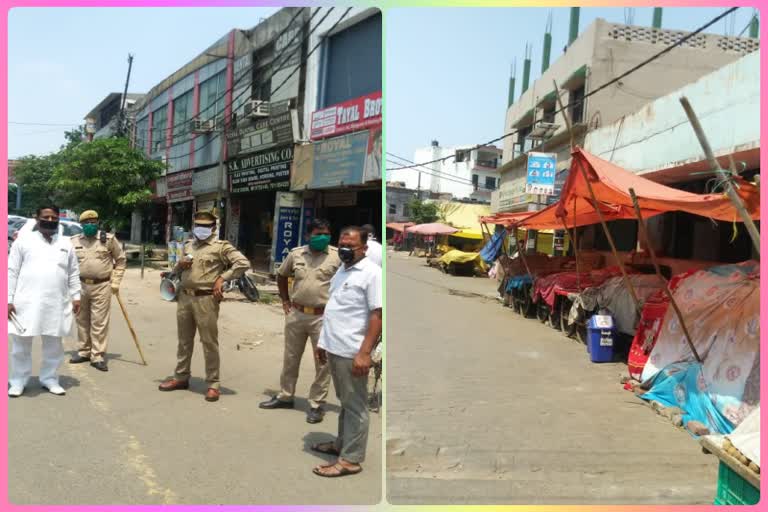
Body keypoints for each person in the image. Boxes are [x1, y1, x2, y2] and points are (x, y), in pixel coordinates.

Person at [311, 226, 382, 477]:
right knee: (345, 402)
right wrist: (323, 342)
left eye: (350, 245)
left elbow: (377, 315)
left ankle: (351, 459)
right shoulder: (343, 270)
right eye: (341, 243)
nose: (344, 249)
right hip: (334, 346)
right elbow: (334, 309)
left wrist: (364, 353)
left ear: (364, 248)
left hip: (352, 350)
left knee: (355, 406)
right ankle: (342, 444)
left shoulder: (372, 274)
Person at [158, 210, 250, 402]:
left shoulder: (220, 247)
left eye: (205, 226)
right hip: (184, 297)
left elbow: (242, 263)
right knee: (184, 341)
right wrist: (176, 268)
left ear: (213, 228)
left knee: (208, 342)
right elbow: (178, 270)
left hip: (206, 299)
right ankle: (181, 377)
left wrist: (221, 279)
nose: (201, 229)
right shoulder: (189, 245)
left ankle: (213, 384)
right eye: (198, 225)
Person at [259, 219, 341, 423]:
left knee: (323, 362)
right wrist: (285, 300)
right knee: (291, 357)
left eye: (326, 233)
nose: (322, 236)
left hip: (323, 316)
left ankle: (316, 404)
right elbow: (281, 275)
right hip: (296, 314)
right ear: (308, 236)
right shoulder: (296, 254)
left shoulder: (337, 256)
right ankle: (286, 395)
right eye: (317, 233)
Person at [8, 205, 81, 397]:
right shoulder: (23, 241)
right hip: (25, 302)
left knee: (54, 344)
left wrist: (76, 296)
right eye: (46, 217)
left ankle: (49, 378)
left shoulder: (65, 243)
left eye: (54, 217)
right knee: (21, 345)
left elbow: (73, 273)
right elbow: (11, 272)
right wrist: (8, 299)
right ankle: (18, 381)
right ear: (37, 218)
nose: (50, 220)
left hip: (56, 302)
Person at [69, 210, 127, 372]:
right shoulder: (73, 241)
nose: (90, 225)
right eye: (87, 223)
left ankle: (97, 355)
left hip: (102, 285)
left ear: (98, 223)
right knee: (81, 320)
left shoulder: (108, 240)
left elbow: (121, 260)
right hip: (80, 286)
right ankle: (84, 351)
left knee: (99, 321)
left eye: (93, 222)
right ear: (81, 225)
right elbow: (67, 265)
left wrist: (115, 282)